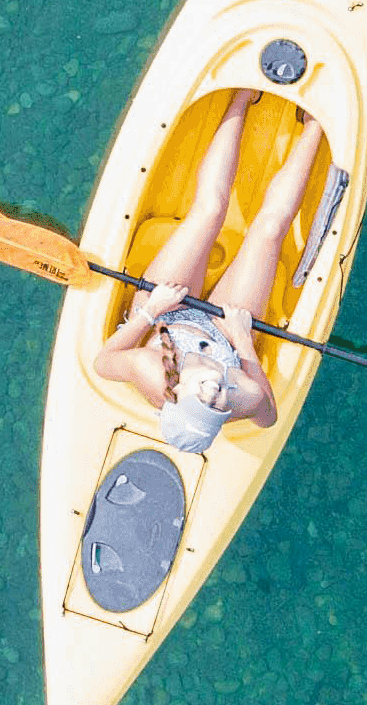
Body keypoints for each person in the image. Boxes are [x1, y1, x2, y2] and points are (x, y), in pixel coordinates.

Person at [91, 88, 327, 452]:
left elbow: (103, 363)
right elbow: (267, 416)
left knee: (210, 209)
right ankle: (315, 126)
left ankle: (241, 100)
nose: (214, 393)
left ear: (174, 393)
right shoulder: (238, 396)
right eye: (215, 407)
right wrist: (243, 342)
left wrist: (150, 310)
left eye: (200, 399)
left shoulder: (150, 372)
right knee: (268, 231)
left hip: (164, 315)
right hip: (225, 335)